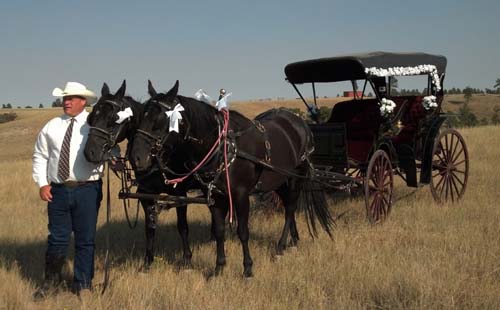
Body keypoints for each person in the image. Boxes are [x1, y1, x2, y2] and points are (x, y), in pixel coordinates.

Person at [32, 82, 103, 299]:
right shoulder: (51, 126)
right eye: (65, 98)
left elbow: (109, 149)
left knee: (85, 239)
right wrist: (43, 183)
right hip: (58, 191)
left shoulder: (95, 126)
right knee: (57, 238)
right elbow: (40, 156)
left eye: (72, 98)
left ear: (84, 101)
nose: (67, 102)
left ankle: (83, 285)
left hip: (88, 189)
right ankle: (51, 283)